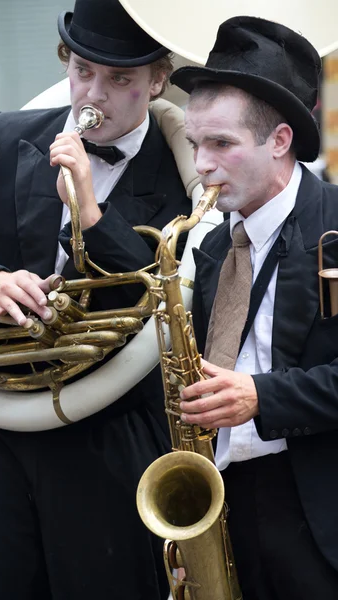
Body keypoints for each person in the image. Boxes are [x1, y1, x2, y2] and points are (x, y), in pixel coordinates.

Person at [0, 1, 193, 599]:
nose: (92, 95)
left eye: (120, 80)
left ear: (157, 81)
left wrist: (90, 210)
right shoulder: (3, 136)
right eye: (83, 70)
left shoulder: (188, 174)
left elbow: (159, 301)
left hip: (110, 437)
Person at [170, 16, 338, 600]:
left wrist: (262, 396)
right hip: (228, 502)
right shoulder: (214, 244)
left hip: (318, 513)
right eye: (196, 145)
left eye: (221, 144)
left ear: (281, 140)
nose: (202, 167)